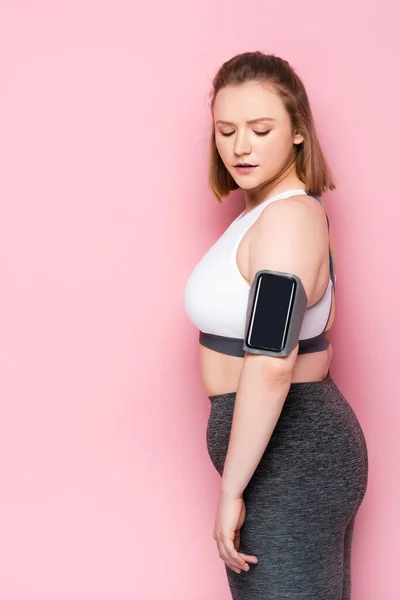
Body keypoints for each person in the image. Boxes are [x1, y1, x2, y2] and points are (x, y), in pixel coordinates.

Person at [184, 51, 368, 600]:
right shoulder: (258, 216)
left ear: (297, 133)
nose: (241, 146)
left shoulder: (288, 218)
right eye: (226, 130)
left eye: (260, 129)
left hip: (291, 454)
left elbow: (268, 362)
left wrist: (231, 490)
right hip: (275, 450)